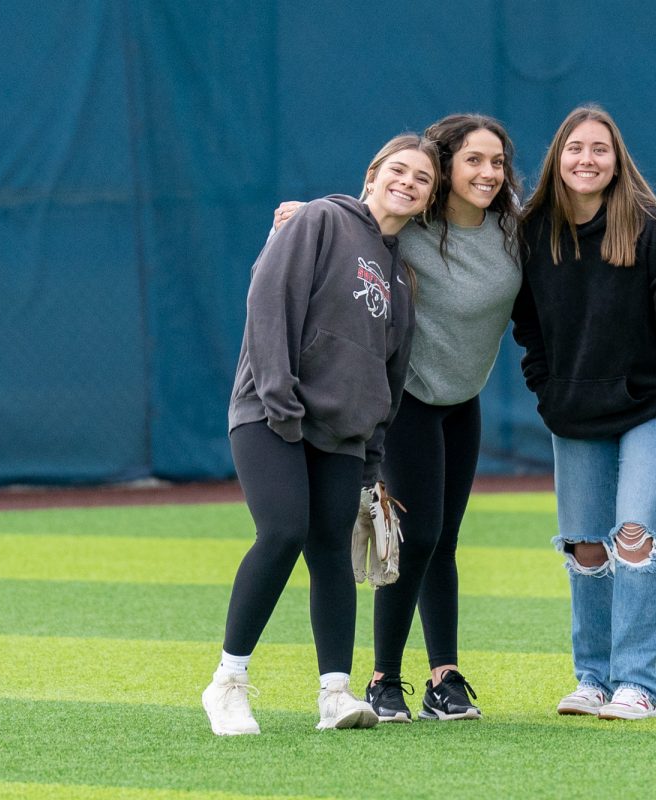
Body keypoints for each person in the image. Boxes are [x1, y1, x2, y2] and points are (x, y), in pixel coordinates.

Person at [273, 114, 523, 723]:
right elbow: (361, 218)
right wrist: (305, 213)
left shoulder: (514, 232)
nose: (487, 173)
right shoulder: (411, 229)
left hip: (462, 400)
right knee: (418, 535)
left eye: (497, 162)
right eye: (473, 161)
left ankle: (445, 676)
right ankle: (385, 679)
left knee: (446, 540)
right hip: (407, 399)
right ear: (446, 170)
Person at [201, 134, 438, 736]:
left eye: (423, 179)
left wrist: (373, 456)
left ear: (429, 198)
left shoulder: (401, 280)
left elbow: (391, 370)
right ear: (373, 173)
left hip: (343, 435)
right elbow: (268, 299)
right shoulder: (321, 218)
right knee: (282, 531)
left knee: (331, 548)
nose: (408, 182)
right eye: (399, 170)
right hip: (271, 412)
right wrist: (279, 397)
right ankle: (227, 683)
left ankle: (335, 693)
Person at [511, 105, 656, 721]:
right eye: (576, 148)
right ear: (558, 157)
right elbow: (528, 329)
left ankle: (638, 685)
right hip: (576, 411)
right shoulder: (533, 234)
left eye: (600, 149)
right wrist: (547, 391)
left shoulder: (653, 230)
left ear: (617, 158)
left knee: (634, 536)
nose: (587, 159)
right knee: (586, 548)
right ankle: (593, 679)